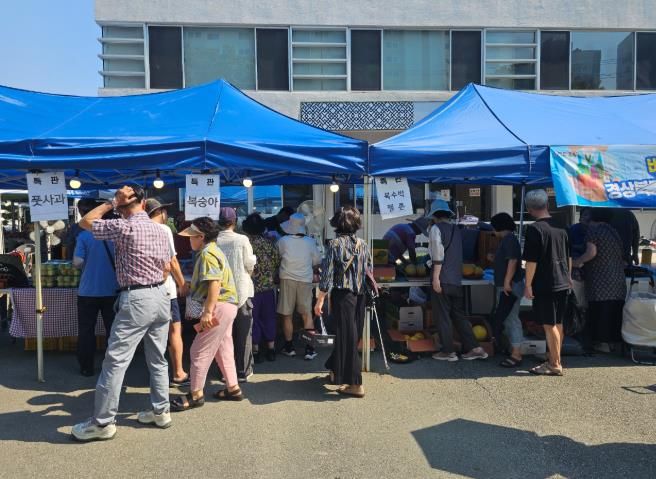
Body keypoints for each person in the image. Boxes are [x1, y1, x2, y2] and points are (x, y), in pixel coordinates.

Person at [71, 185, 172, 441]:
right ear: (144, 202)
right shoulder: (161, 230)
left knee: (115, 361)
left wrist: (110, 203)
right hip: (161, 295)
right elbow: (166, 267)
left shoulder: (123, 227)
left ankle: (103, 422)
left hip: (136, 297)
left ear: (121, 207)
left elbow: (85, 222)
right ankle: (161, 411)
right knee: (158, 358)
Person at [171, 218, 243, 411]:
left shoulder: (207, 254)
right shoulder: (213, 250)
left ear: (201, 237)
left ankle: (196, 394)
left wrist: (208, 312)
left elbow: (214, 283)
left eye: (191, 237)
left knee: (198, 351)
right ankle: (233, 388)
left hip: (218, 307)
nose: (189, 240)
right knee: (223, 348)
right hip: (227, 305)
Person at [314, 206, 370, 398]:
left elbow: (327, 275)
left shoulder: (334, 244)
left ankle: (355, 383)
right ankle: (335, 370)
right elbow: (368, 270)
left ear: (337, 224)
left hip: (343, 296)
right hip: (360, 296)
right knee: (351, 337)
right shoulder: (363, 244)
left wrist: (319, 300)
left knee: (346, 337)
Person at [427, 199, 488, 362]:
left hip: (442, 278)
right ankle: (475, 348)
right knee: (459, 315)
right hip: (456, 279)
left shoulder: (435, 229)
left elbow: (438, 256)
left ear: (434, 215)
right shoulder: (456, 229)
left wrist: (436, 278)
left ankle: (448, 351)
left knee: (442, 316)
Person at [523, 189, 571, 376]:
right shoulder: (562, 227)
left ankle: (555, 364)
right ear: (547, 204)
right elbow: (568, 256)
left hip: (545, 282)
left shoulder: (534, 229)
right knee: (558, 323)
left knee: (549, 324)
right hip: (562, 280)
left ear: (529, 209)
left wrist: (528, 284)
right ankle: (554, 358)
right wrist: (568, 276)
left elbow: (531, 261)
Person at [145, 199, 189, 386]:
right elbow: (172, 261)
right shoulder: (163, 229)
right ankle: (178, 373)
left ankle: (155, 374)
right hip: (165, 291)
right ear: (160, 212)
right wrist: (182, 284)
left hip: (143, 290)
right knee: (174, 330)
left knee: (151, 334)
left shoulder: (136, 229)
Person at [572, 208, 626, 353]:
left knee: (601, 311)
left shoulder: (593, 230)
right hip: (617, 277)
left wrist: (577, 262)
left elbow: (591, 252)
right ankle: (614, 343)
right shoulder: (613, 231)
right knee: (614, 310)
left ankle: (602, 343)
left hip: (600, 279)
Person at [73, 216, 119, 377]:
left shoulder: (84, 236)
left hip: (87, 291)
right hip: (112, 290)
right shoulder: (116, 236)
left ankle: (87, 367)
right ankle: (112, 367)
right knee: (113, 331)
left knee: (86, 330)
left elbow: (77, 262)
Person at [216, 207, 256, 382]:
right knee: (243, 333)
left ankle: (225, 372)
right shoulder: (242, 239)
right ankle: (242, 371)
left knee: (224, 335)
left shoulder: (214, 240)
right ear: (234, 222)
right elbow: (249, 263)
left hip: (220, 293)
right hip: (241, 291)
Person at [277, 213, 322, 360]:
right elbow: (317, 260)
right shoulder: (310, 242)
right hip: (305, 280)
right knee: (306, 314)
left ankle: (289, 347)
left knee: (287, 314)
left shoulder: (283, 241)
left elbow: (278, 257)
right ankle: (310, 349)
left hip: (287, 279)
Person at [242, 213, 281, 363]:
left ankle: (256, 350)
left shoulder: (245, 244)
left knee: (254, 319)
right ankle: (271, 349)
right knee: (269, 318)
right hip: (268, 288)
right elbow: (277, 262)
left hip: (251, 289)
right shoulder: (269, 244)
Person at [489, 213, 525, 368]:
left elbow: (513, 261)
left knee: (511, 318)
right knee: (506, 317)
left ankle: (516, 354)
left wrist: (506, 282)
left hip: (510, 286)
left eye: (493, 227)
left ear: (498, 227)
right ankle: (512, 348)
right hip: (509, 284)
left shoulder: (509, 239)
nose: (492, 231)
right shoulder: (508, 240)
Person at [568, 208, 591, 309]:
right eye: (585, 215)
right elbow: (568, 248)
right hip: (575, 270)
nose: (588, 218)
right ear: (580, 218)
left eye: (590, 215)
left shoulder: (595, 230)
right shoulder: (573, 230)